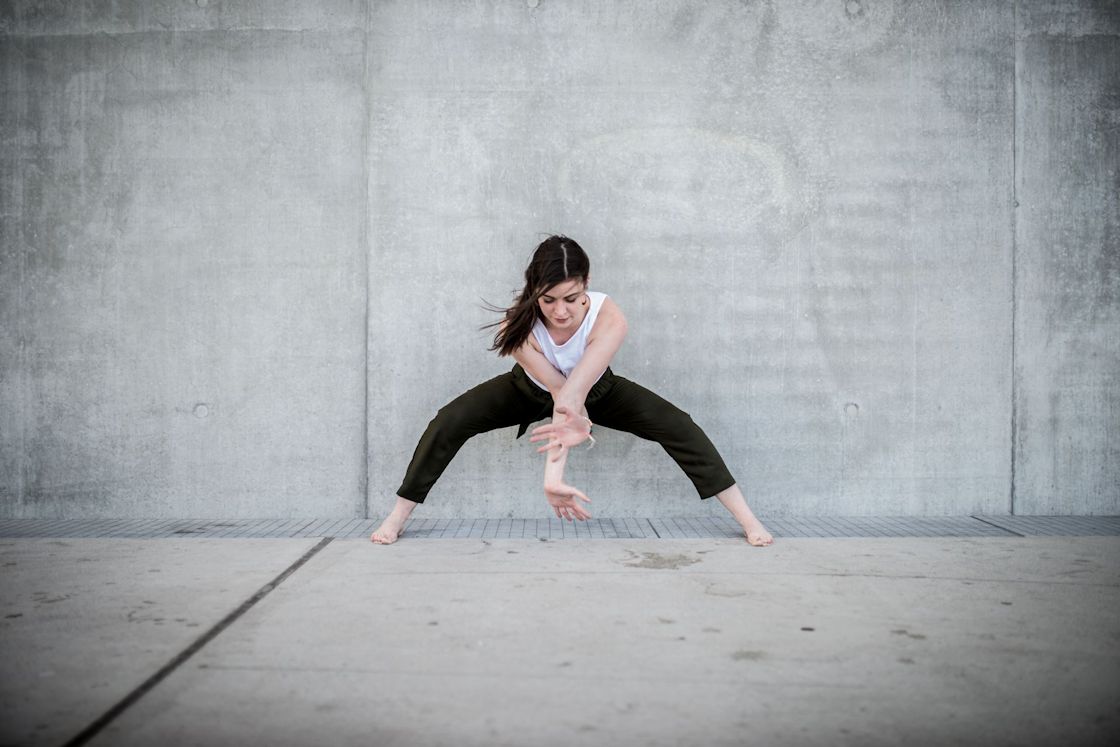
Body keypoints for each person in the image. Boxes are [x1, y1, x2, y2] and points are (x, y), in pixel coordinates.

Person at [370, 235, 773, 547]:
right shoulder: (516, 326)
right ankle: (398, 517)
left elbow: (574, 394)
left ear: (587, 285)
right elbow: (557, 393)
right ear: (534, 290)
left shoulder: (609, 319)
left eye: (571, 299)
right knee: (449, 421)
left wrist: (556, 469)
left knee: (679, 427)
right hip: (529, 390)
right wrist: (555, 473)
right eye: (547, 300)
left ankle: (748, 521)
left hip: (596, 390)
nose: (560, 312)